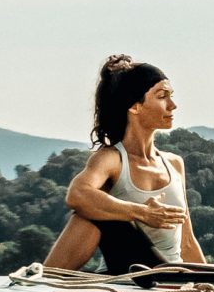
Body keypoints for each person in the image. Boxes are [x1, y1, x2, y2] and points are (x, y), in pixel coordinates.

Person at [46, 55, 204, 273]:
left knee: (92, 207)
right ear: (135, 107)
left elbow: (186, 241)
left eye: (171, 96)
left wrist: (206, 284)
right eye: (162, 96)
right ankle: (44, 281)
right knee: (87, 210)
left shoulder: (174, 164)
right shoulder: (111, 159)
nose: (172, 105)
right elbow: (77, 195)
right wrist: (141, 213)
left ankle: (44, 279)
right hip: (127, 274)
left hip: (169, 276)